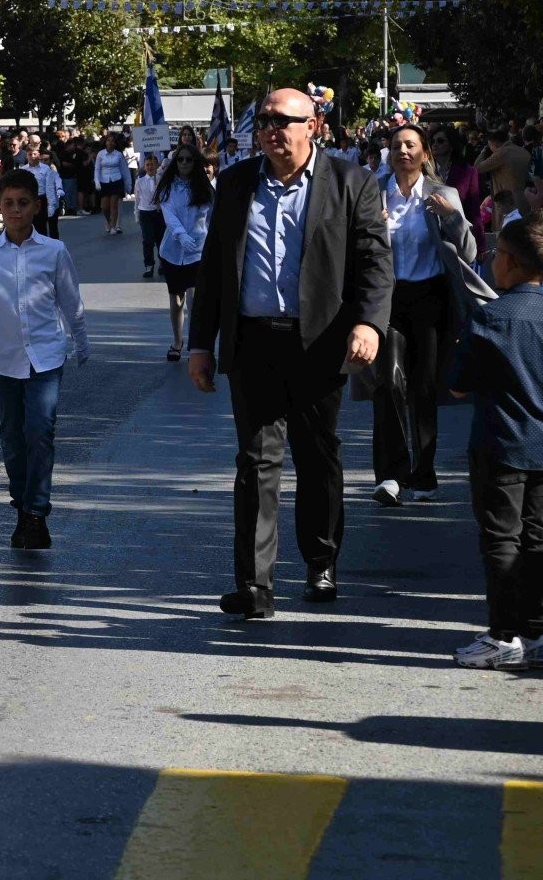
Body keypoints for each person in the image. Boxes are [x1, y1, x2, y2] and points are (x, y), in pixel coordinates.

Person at [187, 88, 393, 619]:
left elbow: (374, 261)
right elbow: (213, 271)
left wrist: (369, 323)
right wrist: (199, 344)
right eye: (264, 122)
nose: (272, 130)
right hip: (252, 341)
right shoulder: (235, 184)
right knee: (256, 461)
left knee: (317, 455)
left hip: (319, 343)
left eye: (284, 121)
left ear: (314, 125)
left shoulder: (352, 182)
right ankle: (255, 586)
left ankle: (321, 562)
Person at [0, 170, 88, 549]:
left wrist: (80, 340)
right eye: (8, 203)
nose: (16, 210)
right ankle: (21, 503)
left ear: (37, 205)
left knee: (40, 431)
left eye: (23, 203)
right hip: (4, 358)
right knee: (12, 437)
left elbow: (70, 300)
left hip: (46, 357)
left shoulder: (54, 251)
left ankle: (36, 513)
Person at [450, 215, 543, 670]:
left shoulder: (490, 316)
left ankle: (504, 634)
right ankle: (536, 631)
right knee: (539, 538)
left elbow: (459, 384)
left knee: (501, 539)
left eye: (495, 254)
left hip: (502, 441)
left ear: (511, 262)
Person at [370, 122, 479, 508]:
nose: (403, 152)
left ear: (424, 154)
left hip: (431, 298)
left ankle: (424, 472)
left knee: (423, 388)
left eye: (411, 145)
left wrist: (452, 217)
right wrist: (374, 227)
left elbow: (468, 253)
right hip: (389, 300)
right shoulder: (376, 193)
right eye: (397, 145)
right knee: (388, 382)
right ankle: (391, 475)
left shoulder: (442, 193)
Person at [157, 145, 213, 361]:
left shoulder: (205, 188)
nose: (184, 163)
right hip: (172, 251)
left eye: (189, 160)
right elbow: (168, 213)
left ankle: (196, 344)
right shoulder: (168, 187)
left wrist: (208, 241)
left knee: (194, 297)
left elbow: (212, 217)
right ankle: (177, 340)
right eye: (180, 160)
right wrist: (180, 234)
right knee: (176, 300)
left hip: (197, 251)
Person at [93, 129, 131, 236]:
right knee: (104, 207)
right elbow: (97, 169)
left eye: (112, 141)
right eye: (108, 141)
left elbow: (124, 170)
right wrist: (97, 181)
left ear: (115, 143)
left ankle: (114, 226)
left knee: (114, 205)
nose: (110, 143)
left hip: (116, 180)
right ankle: (109, 221)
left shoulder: (118, 155)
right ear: (105, 142)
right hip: (104, 181)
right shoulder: (101, 154)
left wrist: (128, 185)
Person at [135, 152, 165, 280]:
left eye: (152, 164)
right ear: (144, 166)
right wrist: (137, 215)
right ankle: (149, 265)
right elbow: (137, 200)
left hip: (158, 213)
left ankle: (163, 264)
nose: (150, 167)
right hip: (145, 213)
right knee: (148, 241)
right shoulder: (140, 181)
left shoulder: (161, 179)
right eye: (147, 165)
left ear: (157, 165)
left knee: (161, 240)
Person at [27, 144, 65, 240]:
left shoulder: (49, 169)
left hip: (50, 199)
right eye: (30, 154)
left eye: (46, 160)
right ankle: (42, 247)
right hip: (36, 199)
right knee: (39, 227)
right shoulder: (24, 169)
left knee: (53, 227)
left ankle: (55, 248)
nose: (32, 156)